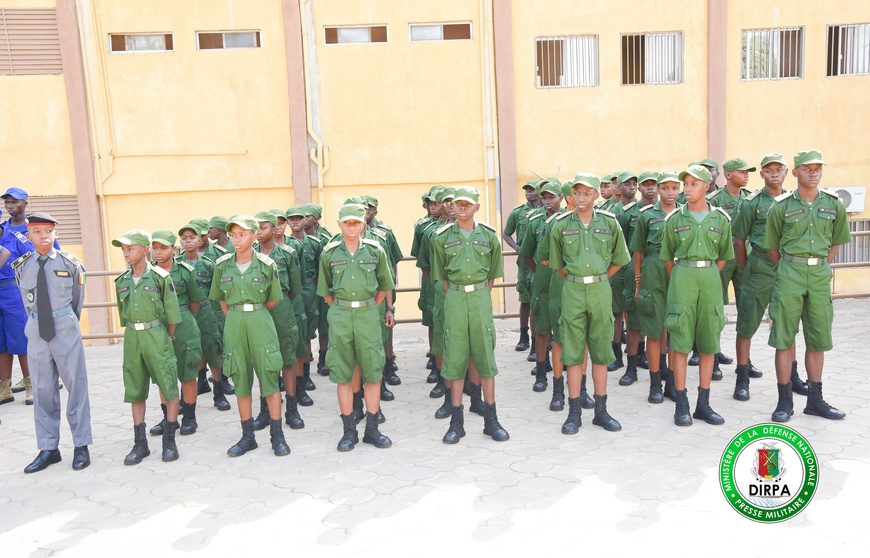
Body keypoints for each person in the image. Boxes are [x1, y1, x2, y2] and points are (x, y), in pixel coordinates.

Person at [763, 149, 851, 422]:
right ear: (795, 172)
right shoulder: (781, 206)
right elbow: (772, 248)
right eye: (807, 168)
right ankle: (784, 401)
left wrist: (818, 265)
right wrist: (791, 266)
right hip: (789, 273)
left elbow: (836, 243)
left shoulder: (834, 204)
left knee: (818, 338)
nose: (814, 173)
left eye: (818, 168)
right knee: (783, 338)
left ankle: (815, 400)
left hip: (819, 276)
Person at [549, 173, 630, 434]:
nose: (581, 198)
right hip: (572, 290)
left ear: (596, 194)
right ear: (571, 195)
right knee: (573, 353)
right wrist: (577, 279)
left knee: (601, 352)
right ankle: (574, 414)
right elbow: (557, 264)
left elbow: (620, 259)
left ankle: (601, 412)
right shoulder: (561, 225)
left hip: (600, 290)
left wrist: (599, 278)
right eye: (577, 193)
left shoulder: (609, 223)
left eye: (587, 193)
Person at [13, 212, 92, 473]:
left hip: (65, 327)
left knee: (76, 386)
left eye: (48, 231)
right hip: (37, 330)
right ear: (29, 236)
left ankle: (81, 445)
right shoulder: (22, 266)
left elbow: (77, 299)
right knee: (42, 389)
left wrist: (65, 321)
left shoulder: (71, 264)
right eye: (37, 232)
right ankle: (49, 448)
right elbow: (27, 303)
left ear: (55, 233)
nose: (43, 236)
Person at [432, 186, 509, 444]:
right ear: (452, 206)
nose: (462, 207)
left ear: (477, 206)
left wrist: (476, 293)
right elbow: (442, 278)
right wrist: (459, 293)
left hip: (480, 298)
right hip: (454, 297)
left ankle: (491, 420)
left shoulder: (488, 236)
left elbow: (492, 276)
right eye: (458, 203)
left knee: (485, 356)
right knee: (455, 358)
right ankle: (457, 422)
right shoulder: (441, 237)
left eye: (468, 203)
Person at [210, 216, 290, 457]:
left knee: (269, 376)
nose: (237, 239)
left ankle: (277, 436)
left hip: (260, 320)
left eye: (242, 234)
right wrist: (237, 314)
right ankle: (247, 437)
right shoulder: (222, 266)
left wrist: (253, 311)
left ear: (254, 236)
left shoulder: (266, 265)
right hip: (234, 322)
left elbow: (273, 299)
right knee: (240, 378)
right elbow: (220, 298)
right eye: (233, 235)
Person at [660, 165, 734, 426]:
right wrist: (686, 274)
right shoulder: (675, 219)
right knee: (679, 340)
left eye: (693, 184)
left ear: (706, 186)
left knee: (709, 341)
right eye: (686, 184)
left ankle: (704, 404)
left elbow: (724, 256)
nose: (687, 189)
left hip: (711, 278)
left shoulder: (720, 219)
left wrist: (706, 272)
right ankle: (681, 405)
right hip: (682, 276)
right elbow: (667, 257)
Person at [318, 203, 395, 451]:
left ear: (363, 224)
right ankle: (349, 431)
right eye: (347, 223)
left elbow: (385, 285)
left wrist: (371, 307)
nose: (351, 227)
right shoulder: (329, 253)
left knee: (372, 371)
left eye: (356, 223)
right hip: (340, 315)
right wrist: (341, 309)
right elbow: (325, 290)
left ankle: (372, 430)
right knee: (343, 374)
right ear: (339, 225)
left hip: (367, 314)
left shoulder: (375, 250)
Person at [731, 154, 806, 401]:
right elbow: (739, 239)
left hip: (786, 267)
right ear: (762, 174)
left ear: (786, 172)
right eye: (769, 170)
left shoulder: (793, 202)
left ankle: (793, 377)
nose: (774, 174)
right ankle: (742, 378)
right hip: (759, 265)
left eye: (778, 169)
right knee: (747, 323)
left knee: (787, 323)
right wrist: (746, 268)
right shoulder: (752, 203)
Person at [113, 230, 183, 464]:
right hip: (133, 336)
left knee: (168, 384)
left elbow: (172, 315)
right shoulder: (122, 281)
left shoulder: (160, 278)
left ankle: (169, 441)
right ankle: (140, 444)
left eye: (130, 249)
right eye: (124, 250)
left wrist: (165, 337)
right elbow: (123, 315)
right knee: (135, 388)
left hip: (156, 334)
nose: (126, 253)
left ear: (144, 250)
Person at [631, 172, 680, 405]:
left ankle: (672, 382)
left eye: (674, 188)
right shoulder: (647, 215)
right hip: (653, 269)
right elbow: (638, 251)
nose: (670, 192)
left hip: (679, 271)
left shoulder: (685, 214)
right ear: (659, 190)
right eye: (665, 188)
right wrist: (638, 283)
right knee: (654, 328)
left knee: (676, 329)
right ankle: (654, 384)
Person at [149, 231, 204, 438]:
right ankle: (168, 419)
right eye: (155, 248)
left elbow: (195, 301)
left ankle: (189, 417)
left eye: (164, 248)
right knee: (163, 374)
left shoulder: (186, 271)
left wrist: (183, 317)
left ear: (173, 249)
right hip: (159, 326)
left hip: (184, 324)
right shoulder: (149, 273)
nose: (159, 252)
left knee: (188, 373)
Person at [254, 211, 305, 430]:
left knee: (287, 360)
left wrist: (279, 303)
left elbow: (295, 287)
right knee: (264, 362)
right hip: (258, 311)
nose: (258, 232)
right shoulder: (249, 254)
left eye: (263, 227)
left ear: (273, 227)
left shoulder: (288, 253)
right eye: (256, 228)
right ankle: (265, 410)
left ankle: (292, 409)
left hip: (282, 309)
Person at [177, 223, 231, 411]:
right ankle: (185, 398)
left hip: (207, 313)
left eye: (192, 237)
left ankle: (219, 393)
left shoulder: (208, 264)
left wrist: (218, 317)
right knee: (187, 353)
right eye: (184, 238)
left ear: (199, 240)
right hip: (185, 313)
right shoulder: (177, 265)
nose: (188, 241)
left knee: (213, 351)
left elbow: (218, 292)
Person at [707, 158, 754, 376]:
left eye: (747, 172)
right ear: (728, 175)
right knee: (715, 307)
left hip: (745, 257)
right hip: (721, 258)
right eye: (741, 172)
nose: (746, 175)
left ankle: (745, 360)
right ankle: (713, 357)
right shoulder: (714, 199)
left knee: (747, 307)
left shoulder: (750, 198)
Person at [520, 179, 562, 392]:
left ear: (561, 198)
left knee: (564, 329)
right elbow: (527, 253)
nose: (547, 201)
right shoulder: (535, 222)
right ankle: (541, 371)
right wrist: (539, 272)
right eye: (544, 197)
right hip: (543, 280)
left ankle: (564, 371)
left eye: (551, 197)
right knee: (542, 328)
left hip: (564, 281)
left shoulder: (569, 220)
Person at [617, 171, 657, 386]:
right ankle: (631, 367)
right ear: (640, 187)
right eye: (646, 184)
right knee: (633, 320)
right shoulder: (628, 213)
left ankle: (659, 367)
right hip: (634, 267)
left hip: (659, 268)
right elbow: (621, 245)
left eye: (654, 184)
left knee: (660, 321)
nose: (650, 187)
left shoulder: (672, 211)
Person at [0, 190, 36, 405]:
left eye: (14, 202)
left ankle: (32, 384)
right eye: (7, 202)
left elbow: (33, 259)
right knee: (1, 342)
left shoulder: (18, 236)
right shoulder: (5, 228)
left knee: (21, 338)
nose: (10, 205)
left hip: (14, 291)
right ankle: (4, 387)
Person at [503, 180, 541, 355]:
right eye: (527, 190)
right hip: (525, 262)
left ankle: (544, 337)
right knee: (525, 299)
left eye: (532, 190)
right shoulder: (518, 212)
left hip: (542, 260)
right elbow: (506, 233)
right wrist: (517, 248)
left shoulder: (546, 211)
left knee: (542, 300)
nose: (529, 193)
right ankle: (524, 336)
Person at [286, 206, 320, 403]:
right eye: (291, 219)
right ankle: (286, 377)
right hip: (289, 292)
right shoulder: (285, 245)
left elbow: (318, 271)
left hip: (308, 289)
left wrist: (312, 291)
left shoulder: (314, 243)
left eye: (299, 218)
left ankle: (305, 375)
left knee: (306, 333)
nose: (295, 222)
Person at [607, 171, 638, 372]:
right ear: (619, 186)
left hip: (637, 265)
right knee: (616, 311)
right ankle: (616, 354)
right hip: (618, 266)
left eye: (634, 183)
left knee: (636, 311)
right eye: (627, 183)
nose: (631, 187)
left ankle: (639, 354)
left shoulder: (642, 209)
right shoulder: (612, 211)